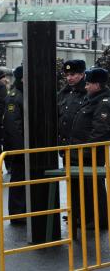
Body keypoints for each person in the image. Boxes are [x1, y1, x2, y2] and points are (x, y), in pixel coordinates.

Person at [70, 67, 110, 228]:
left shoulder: (103, 103)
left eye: (89, 84)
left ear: (97, 85)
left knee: (94, 186)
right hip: (83, 151)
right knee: (86, 188)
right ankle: (87, 217)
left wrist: (86, 150)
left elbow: (100, 130)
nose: (85, 87)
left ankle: (99, 219)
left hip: (91, 153)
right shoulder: (92, 99)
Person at [3, 66, 25, 224]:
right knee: (18, 179)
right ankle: (17, 214)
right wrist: (21, 149)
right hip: (20, 147)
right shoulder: (15, 96)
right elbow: (13, 126)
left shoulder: (22, 93)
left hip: (24, 146)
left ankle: (22, 211)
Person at [58, 60, 87, 148]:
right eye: (67, 75)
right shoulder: (64, 92)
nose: (69, 78)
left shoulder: (89, 92)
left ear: (82, 74)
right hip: (66, 146)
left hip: (83, 148)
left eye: (72, 74)